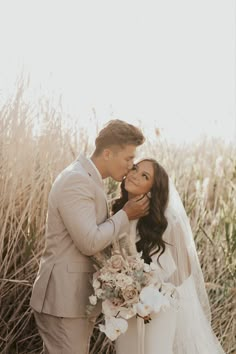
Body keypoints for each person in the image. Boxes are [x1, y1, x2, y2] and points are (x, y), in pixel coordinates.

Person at [30, 119, 150, 354]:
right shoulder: (77, 180)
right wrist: (125, 214)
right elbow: (89, 241)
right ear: (107, 153)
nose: (130, 167)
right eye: (127, 159)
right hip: (62, 300)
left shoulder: (88, 178)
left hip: (72, 300)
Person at [113, 158, 226, 354]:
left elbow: (184, 269)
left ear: (153, 189)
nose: (134, 175)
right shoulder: (117, 214)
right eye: (135, 169)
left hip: (159, 307)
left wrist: (154, 292)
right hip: (125, 306)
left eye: (144, 176)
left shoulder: (167, 221)